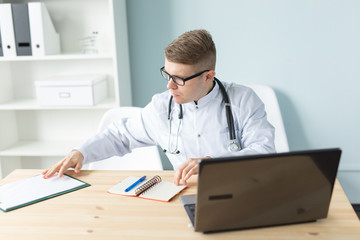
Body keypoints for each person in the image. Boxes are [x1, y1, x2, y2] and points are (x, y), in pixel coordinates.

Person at [42, 29, 275, 185]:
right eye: (167, 74)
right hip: (184, 195)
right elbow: (120, 136)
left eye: (180, 79)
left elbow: (264, 152)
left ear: (208, 76)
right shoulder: (162, 106)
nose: (170, 85)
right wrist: (80, 152)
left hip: (242, 192)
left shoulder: (243, 100)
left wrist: (212, 163)